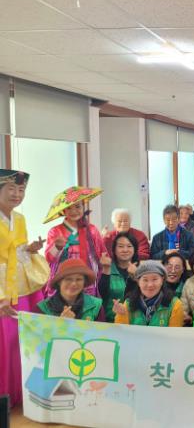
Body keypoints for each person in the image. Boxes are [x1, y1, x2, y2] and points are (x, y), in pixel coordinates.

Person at [0, 169, 49, 407]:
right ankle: (5, 394)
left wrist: (30, 249)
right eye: (11, 189)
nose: (17, 195)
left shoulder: (19, 219)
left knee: (24, 340)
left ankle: (24, 392)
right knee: (5, 341)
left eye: (21, 190)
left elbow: (18, 250)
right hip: (2, 286)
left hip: (21, 285)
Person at [44, 186, 109, 297]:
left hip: (86, 278)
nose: (74, 211)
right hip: (63, 278)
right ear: (63, 211)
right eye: (69, 208)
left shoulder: (92, 230)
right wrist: (57, 247)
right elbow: (49, 258)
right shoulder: (55, 231)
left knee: (87, 306)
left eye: (78, 206)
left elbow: (102, 253)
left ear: (83, 207)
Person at [113, 260, 184, 327]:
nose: (150, 285)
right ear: (138, 282)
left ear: (162, 280)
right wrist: (121, 314)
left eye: (155, 279)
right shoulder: (128, 303)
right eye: (145, 280)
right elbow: (121, 333)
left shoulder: (175, 305)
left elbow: (174, 333)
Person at [36, 258, 104, 321]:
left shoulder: (95, 306)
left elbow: (102, 329)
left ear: (84, 282)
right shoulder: (43, 308)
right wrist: (60, 324)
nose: (74, 283)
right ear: (59, 282)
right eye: (68, 279)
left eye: (79, 279)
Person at [98, 232, 139, 323]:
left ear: (135, 249)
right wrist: (106, 270)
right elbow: (100, 295)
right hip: (111, 321)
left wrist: (136, 278)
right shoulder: (106, 266)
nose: (125, 250)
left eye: (129, 246)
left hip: (135, 322)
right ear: (114, 249)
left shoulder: (142, 270)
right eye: (120, 246)